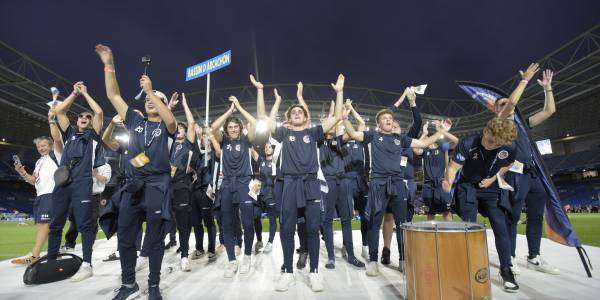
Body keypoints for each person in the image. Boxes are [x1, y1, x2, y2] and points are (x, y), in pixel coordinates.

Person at [96, 44, 176, 300]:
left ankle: (153, 284)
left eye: (158, 101)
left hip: (156, 185)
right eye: (150, 100)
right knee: (126, 239)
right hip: (132, 186)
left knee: (154, 240)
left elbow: (172, 121)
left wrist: (151, 91)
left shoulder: (167, 127)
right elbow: (113, 95)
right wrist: (109, 64)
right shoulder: (134, 120)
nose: (152, 103)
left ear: (163, 105)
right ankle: (129, 283)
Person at [343, 104, 447, 277]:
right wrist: (345, 119)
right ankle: (374, 261)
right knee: (375, 223)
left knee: (402, 224)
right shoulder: (373, 136)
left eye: (390, 118)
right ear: (378, 124)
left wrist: (440, 132)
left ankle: (403, 261)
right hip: (378, 183)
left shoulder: (401, 139)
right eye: (385, 118)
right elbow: (353, 134)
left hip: (398, 184)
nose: (388, 120)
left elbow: (423, 142)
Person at [270, 74, 344, 292]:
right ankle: (288, 273)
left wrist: (339, 92)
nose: (296, 113)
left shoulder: (313, 133)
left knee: (312, 228)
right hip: (290, 184)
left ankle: (314, 272)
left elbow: (338, 116)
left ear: (305, 117)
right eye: (293, 112)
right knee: (286, 228)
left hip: (310, 183)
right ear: (289, 117)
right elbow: (267, 119)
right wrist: (276, 102)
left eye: (300, 111)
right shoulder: (283, 133)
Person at [495, 65, 560, 275]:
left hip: (533, 174)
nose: (507, 105)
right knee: (512, 218)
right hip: (514, 174)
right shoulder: (500, 123)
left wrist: (547, 89)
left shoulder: (523, 123)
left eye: (507, 102)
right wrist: (525, 81)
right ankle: (510, 258)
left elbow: (550, 111)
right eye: (502, 104)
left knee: (535, 217)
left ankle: (534, 256)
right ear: (497, 110)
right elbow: (512, 102)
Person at [442, 117, 519, 292]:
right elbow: (453, 168)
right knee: (469, 227)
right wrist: (448, 181)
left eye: (497, 144)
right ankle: (467, 268)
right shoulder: (468, 143)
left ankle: (506, 269)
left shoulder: (509, 146)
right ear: (485, 131)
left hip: (490, 187)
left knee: (501, 226)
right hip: (468, 185)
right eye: (491, 141)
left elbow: (508, 163)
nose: (492, 146)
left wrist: (493, 178)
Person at [46, 81, 103, 282]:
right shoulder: (69, 133)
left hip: (82, 183)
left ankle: (87, 265)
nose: (85, 118)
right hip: (63, 184)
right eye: (81, 116)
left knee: (85, 225)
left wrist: (85, 93)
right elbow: (59, 112)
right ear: (77, 120)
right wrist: (73, 94)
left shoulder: (93, 136)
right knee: (56, 224)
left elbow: (99, 112)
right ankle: (51, 260)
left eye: (87, 117)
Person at [209, 92, 257, 277]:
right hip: (227, 184)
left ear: (240, 128)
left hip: (246, 183)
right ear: (227, 129)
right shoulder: (224, 141)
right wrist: (229, 110)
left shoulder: (246, 141)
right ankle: (231, 261)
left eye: (236, 127)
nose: (233, 129)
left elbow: (253, 122)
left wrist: (240, 108)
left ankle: (246, 256)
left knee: (248, 223)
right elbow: (213, 128)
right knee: (227, 225)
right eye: (230, 127)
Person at [376, 87, 422, 266]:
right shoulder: (383, 139)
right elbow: (387, 114)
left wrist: (413, 103)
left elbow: (417, 121)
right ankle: (386, 250)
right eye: (391, 125)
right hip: (390, 182)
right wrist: (401, 97)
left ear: (401, 129)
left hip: (408, 184)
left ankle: (405, 253)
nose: (393, 126)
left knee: (406, 221)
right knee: (388, 218)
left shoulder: (405, 140)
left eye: (396, 125)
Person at [12, 106, 63, 265]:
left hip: (51, 194)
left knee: (44, 225)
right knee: (45, 225)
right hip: (41, 195)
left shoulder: (55, 155)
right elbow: (33, 180)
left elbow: (57, 139)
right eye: (39, 146)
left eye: (44, 145)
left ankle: (35, 255)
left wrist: (52, 119)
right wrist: (21, 172)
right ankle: (54, 252)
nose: (41, 148)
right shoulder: (39, 161)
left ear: (49, 146)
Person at [319, 100, 365, 269]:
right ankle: (331, 257)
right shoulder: (318, 140)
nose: (331, 124)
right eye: (328, 122)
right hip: (328, 182)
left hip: (344, 182)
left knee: (347, 219)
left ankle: (351, 255)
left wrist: (344, 114)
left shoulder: (340, 140)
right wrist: (333, 112)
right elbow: (331, 118)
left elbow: (351, 133)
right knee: (327, 221)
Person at [167, 92, 196, 272]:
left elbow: (192, 123)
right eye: (176, 127)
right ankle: (146, 254)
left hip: (181, 186)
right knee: (159, 221)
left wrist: (185, 105)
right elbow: (163, 124)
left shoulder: (187, 145)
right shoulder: (168, 142)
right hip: (164, 185)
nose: (178, 129)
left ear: (185, 132)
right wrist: (169, 108)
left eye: (181, 128)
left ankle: (184, 255)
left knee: (183, 223)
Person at [340, 100, 369, 260]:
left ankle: (365, 245)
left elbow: (362, 123)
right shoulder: (342, 141)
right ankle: (346, 244)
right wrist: (344, 113)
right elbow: (338, 124)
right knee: (347, 216)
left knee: (365, 215)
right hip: (346, 181)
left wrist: (351, 108)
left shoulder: (360, 139)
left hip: (361, 181)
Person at [413, 120, 458, 221]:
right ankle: (431, 234)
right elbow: (415, 149)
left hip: (442, 184)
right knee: (430, 212)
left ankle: (449, 234)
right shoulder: (425, 151)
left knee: (446, 212)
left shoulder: (443, 148)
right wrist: (424, 134)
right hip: (428, 185)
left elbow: (456, 142)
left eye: (427, 138)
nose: (426, 140)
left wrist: (443, 131)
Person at [189, 124, 217, 261]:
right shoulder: (198, 155)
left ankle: (212, 249)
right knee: (196, 222)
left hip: (207, 191)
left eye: (207, 136)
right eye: (202, 136)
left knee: (209, 222)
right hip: (195, 191)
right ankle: (199, 248)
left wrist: (209, 136)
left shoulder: (213, 155)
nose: (204, 138)